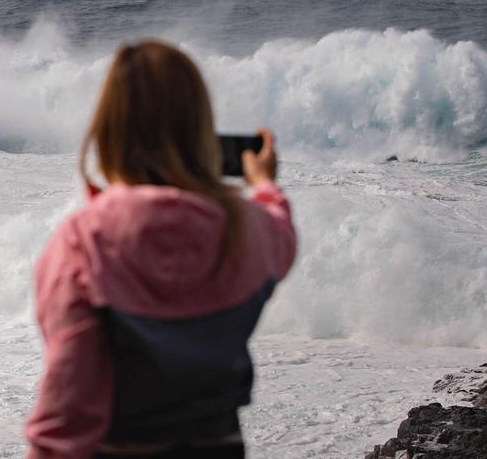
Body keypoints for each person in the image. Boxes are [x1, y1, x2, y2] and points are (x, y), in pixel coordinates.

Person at [25, 40, 297, 459]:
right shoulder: (250, 228)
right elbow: (282, 239)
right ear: (200, 128)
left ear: (111, 128)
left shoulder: (84, 241)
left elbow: (66, 411)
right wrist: (263, 185)